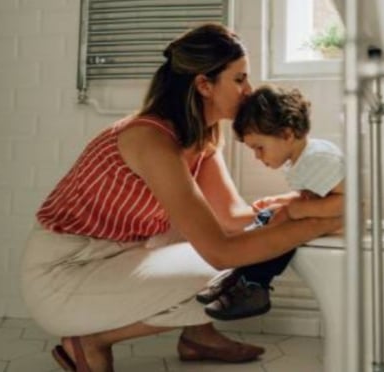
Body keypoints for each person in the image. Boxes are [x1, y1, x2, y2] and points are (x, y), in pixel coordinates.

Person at [19, 24, 341, 372]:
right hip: (66, 271)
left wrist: (295, 205)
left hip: (120, 255)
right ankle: (90, 342)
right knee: (230, 269)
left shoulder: (201, 136)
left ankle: (198, 336)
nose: (248, 91)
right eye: (239, 79)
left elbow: (232, 218)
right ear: (204, 84)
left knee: (234, 245)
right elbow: (221, 252)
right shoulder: (151, 140)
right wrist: (323, 221)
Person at [197, 85, 344, 321]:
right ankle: (242, 274)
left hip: (339, 225)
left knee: (279, 227)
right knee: (267, 217)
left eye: (259, 148)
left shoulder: (318, 158)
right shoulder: (305, 157)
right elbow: (317, 194)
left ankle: (254, 284)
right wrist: (283, 201)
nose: (257, 156)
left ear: (286, 134)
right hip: (323, 219)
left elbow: (350, 202)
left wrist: (299, 209)